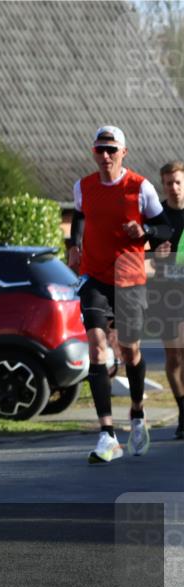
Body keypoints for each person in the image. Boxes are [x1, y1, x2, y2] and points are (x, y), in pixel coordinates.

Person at [67, 127, 171, 464]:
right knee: (97, 347)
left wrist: (146, 231)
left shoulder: (140, 188)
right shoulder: (83, 186)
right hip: (94, 277)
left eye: (111, 149)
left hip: (129, 278)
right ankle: (107, 435)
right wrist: (74, 245)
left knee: (129, 349)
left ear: (123, 152)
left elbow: (165, 227)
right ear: (94, 153)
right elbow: (80, 216)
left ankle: (138, 413)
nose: (105, 156)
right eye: (100, 150)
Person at [155, 161, 184, 439]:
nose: (173, 188)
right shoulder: (158, 218)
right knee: (174, 357)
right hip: (167, 296)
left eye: (177, 182)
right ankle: (182, 411)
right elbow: (144, 261)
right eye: (168, 183)